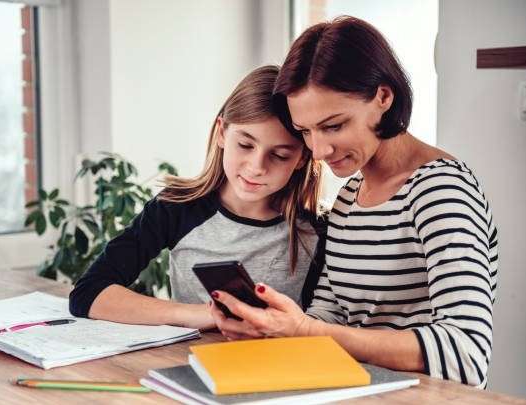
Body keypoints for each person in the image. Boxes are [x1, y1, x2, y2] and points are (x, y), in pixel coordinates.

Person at [209, 16, 498, 389]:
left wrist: (308, 331)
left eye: (334, 126)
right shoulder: (348, 200)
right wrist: (274, 330)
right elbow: (327, 319)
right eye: (305, 131)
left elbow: (467, 354)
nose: (317, 151)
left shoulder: (440, 192)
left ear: (383, 97)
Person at [69, 65, 326, 331]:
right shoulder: (175, 209)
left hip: (282, 366)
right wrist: (204, 315)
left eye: (280, 155)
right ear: (222, 133)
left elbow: (324, 324)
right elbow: (87, 293)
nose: (256, 166)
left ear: (302, 157)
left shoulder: (318, 228)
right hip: (194, 362)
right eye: (246, 145)